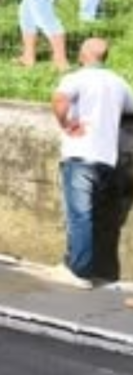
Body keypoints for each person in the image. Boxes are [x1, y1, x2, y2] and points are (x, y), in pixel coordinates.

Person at [48, 38, 133, 289]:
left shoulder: (76, 78)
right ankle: (98, 269)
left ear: (83, 55)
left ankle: (79, 270)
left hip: (80, 154)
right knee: (100, 216)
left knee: (79, 215)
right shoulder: (119, 83)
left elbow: (59, 100)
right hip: (108, 159)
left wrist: (66, 124)